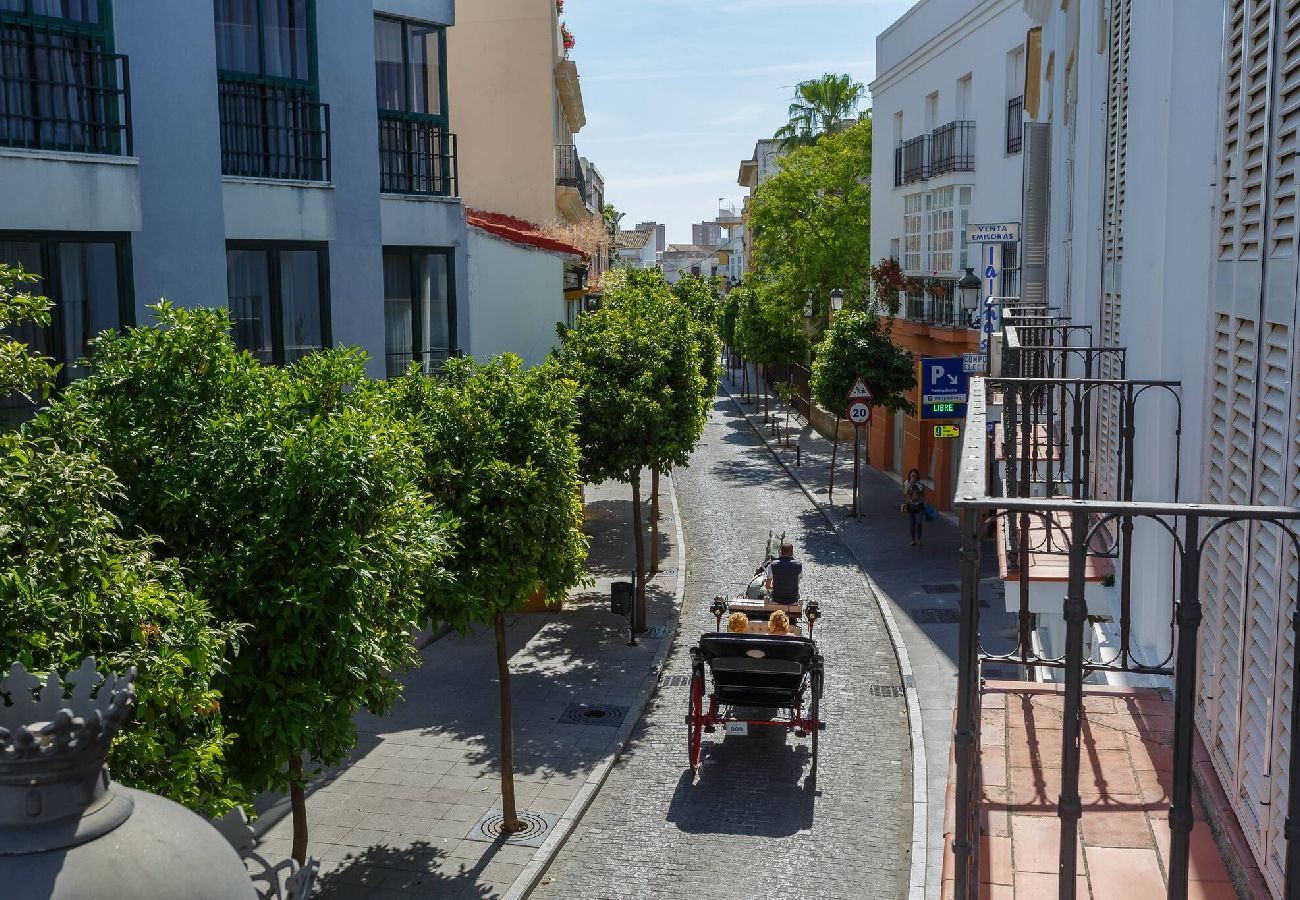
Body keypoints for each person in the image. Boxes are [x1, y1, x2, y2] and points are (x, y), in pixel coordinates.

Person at [903, 469, 927, 547]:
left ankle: (919, 539)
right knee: (912, 523)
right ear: (909, 475)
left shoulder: (920, 484)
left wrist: (923, 503)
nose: (913, 477)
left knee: (919, 522)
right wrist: (910, 483)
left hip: (919, 506)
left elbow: (922, 495)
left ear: (917, 476)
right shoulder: (906, 483)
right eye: (912, 475)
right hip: (910, 506)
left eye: (915, 475)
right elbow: (905, 493)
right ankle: (913, 540)